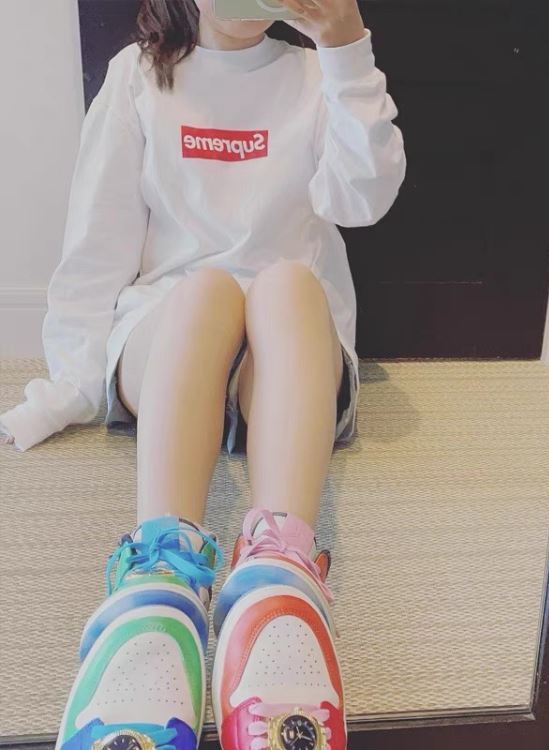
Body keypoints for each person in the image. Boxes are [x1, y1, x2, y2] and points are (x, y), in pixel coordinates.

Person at [1, 0, 406, 748]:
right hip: (171, 345)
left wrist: (347, 48)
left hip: (283, 360)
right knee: (206, 291)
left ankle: (280, 574)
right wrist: (72, 383)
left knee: (287, 285)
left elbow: (364, 198)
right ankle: (160, 581)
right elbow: (97, 246)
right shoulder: (139, 78)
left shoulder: (316, 74)